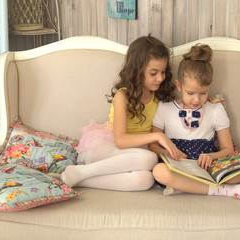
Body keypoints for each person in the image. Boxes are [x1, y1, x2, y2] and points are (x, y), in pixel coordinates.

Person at [60, 35, 185, 191]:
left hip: (134, 155)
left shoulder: (158, 97)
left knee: (145, 180)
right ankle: (84, 170)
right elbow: (120, 141)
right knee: (149, 158)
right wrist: (158, 136)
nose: (160, 78)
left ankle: (79, 177)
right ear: (137, 71)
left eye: (163, 72)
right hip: (108, 146)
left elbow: (184, 105)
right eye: (153, 73)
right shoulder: (123, 96)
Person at [149, 43, 240, 199]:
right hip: (178, 167)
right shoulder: (164, 108)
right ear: (179, 86)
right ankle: (223, 190)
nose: (196, 99)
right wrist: (170, 154)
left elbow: (228, 149)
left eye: (203, 93)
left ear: (210, 85)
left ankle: (184, 187)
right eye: (190, 93)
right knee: (159, 172)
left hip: (207, 168)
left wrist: (211, 157)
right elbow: (152, 145)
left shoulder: (216, 110)